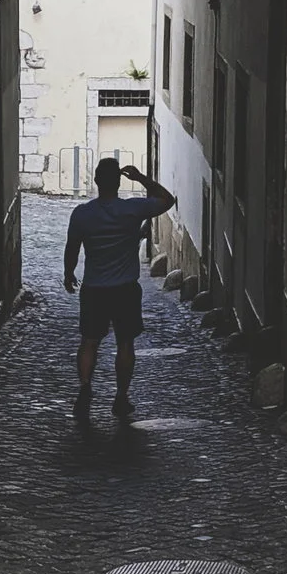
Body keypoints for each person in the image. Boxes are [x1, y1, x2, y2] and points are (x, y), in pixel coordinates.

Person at [63, 158, 176, 422]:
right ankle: (121, 396)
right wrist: (141, 178)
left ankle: (85, 387)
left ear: (96, 181)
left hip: (94, 287)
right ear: (118, 181)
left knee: (89, 341)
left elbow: (72, 247)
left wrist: (69, 273)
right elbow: (167, 200)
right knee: (125, 343)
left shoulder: (82, 214)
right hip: (125, 288)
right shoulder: (132, 210)